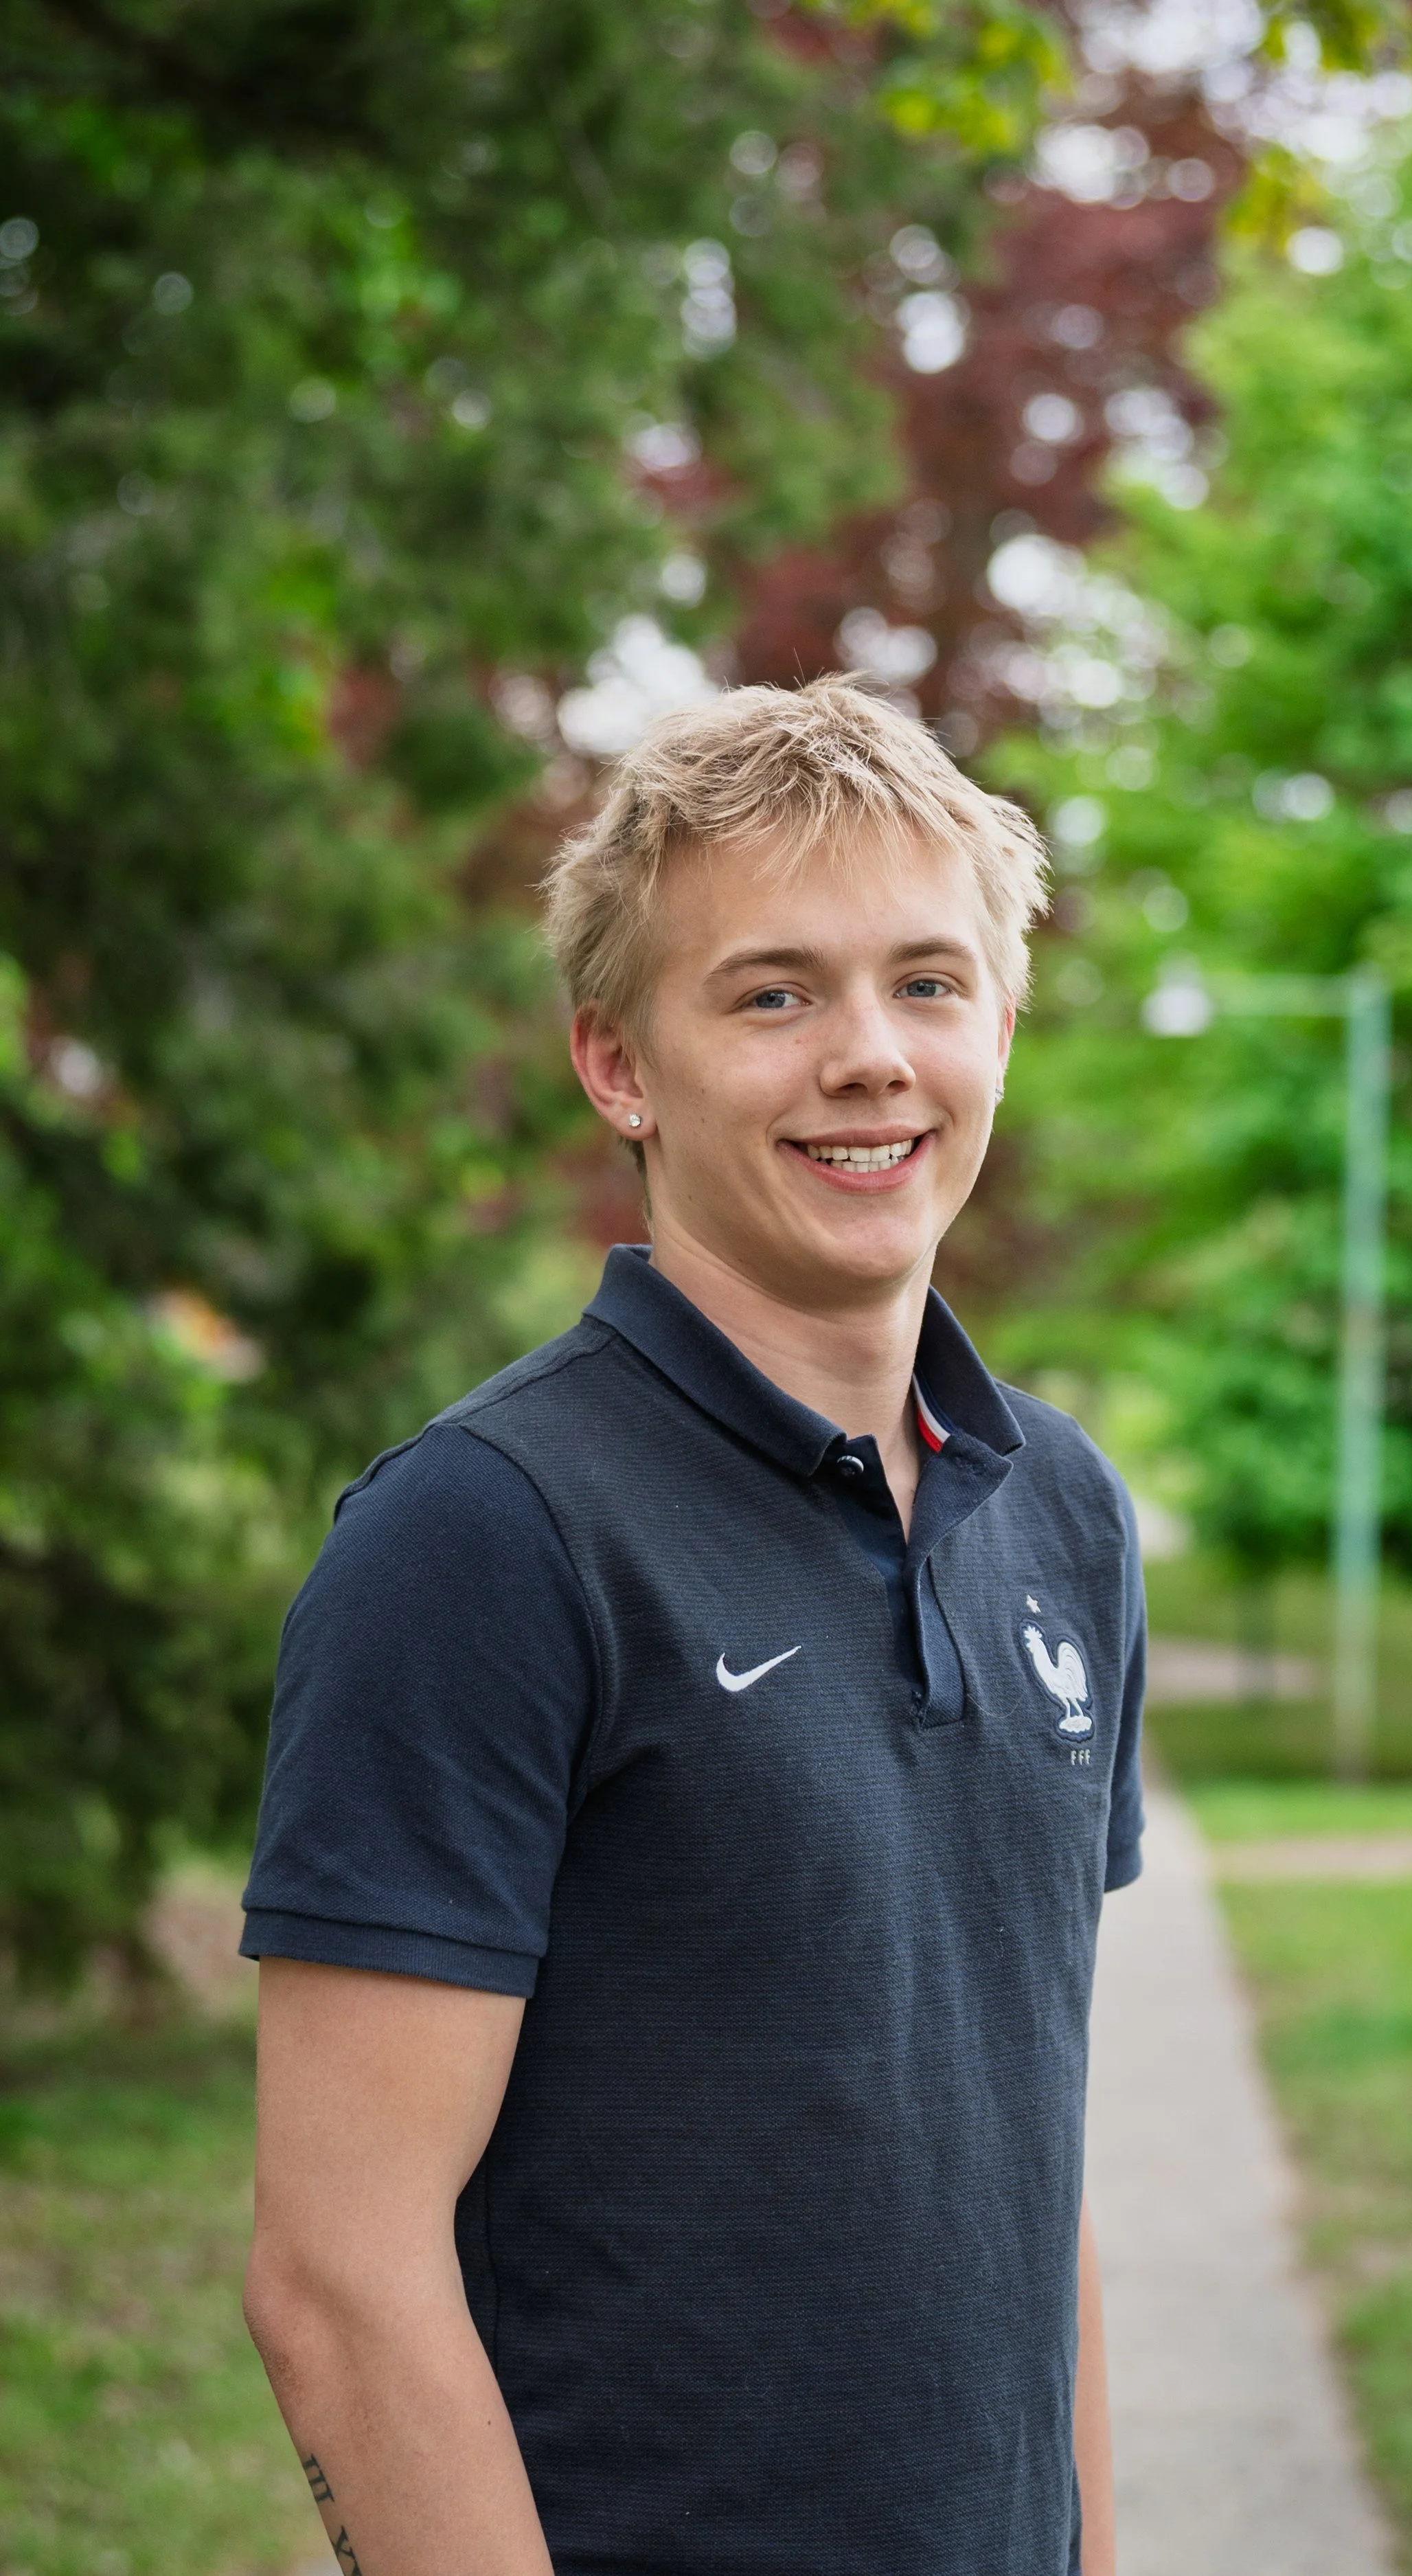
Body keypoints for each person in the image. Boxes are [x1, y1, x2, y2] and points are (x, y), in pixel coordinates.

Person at [240, 677, 1146, 2576]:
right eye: (770, 993)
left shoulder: (1057, 1510)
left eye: (926, 982)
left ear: (1000, 1022)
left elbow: (1020, 2159)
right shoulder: (482, 1538)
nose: (868, 1057)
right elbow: (337, 2277)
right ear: (618, 1064)